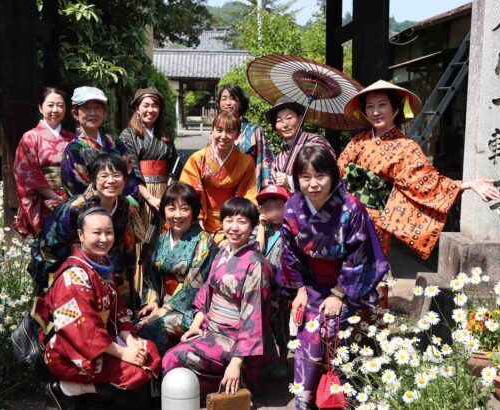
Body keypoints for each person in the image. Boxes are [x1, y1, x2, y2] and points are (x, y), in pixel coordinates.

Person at [338, 79, 500, 260]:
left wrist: (468, 184)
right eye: (370, 107)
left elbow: (427, 183)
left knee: (371, 270)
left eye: (382, 105)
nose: (375, 112)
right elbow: (337, 172)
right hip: (345, 215)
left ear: (396, 108)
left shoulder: (406, 147)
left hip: (373, 221)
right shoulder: (358, 142)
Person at [281, 145, 390, 410]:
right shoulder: (293, 207)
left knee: (331, 330)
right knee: (307, 335)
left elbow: (359, 255)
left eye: (320, 175)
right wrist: (300, 290)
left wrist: (339, 293)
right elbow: (290, 252)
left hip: (348, 285)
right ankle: (305, 402)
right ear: (297, 179)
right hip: (311, 284)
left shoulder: (350, 208)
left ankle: (341, 400)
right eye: (305, 177)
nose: (313, 184)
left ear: (333, 174)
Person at [36, 207, 160, 409]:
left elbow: (118, 310)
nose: (104, 239)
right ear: (80, 235)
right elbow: (83, 331)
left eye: (108, 232)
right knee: (134, 373)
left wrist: (130, 341)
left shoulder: (100, 264)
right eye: (97, 233)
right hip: (69, 352)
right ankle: (69, 389)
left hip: (102, 341)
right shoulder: (74, 276)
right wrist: (122, 353)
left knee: (148, 352)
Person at [162, 197, 277, 397]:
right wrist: (196, 325)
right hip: (212, 329)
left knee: (173, 360)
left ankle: (240, 377)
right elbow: (207, 291)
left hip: (238, 342)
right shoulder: (223, 251)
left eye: (241, 222)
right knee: (171, 356)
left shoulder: (256, 264)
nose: (234, 227)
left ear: (252, 226)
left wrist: (236, 362)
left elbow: (254, 316)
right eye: (229, 220)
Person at [30, 154, 137, 294]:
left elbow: (121, 245)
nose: (111, 181)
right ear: (92, 179)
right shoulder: (76, 208)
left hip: (104, 266)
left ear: (125, 180)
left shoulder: (123, 205)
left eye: (117, 175)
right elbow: (50, 244)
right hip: (67, 266)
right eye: (103, 176)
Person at [134, 182, 215, 356]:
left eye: (184, 209)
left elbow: (195, 282)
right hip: (163, 303)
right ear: (163, 210)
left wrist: (166, 308)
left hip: (189, 309)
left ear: (194, 211)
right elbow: (151, 275)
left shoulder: (203, 241)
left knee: (157, 328)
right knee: (135, 325)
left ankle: (162, 375)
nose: (177, 215)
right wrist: (153, 302)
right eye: (171, 209)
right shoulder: (162, 238)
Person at [115, 87, 177, 294]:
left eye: (155, 105)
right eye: (146, 105)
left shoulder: (164, 136)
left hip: (164, 193)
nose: (151, 110)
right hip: (141, 195)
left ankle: (159, 292)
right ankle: (139, 294)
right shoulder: (127, 136)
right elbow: (129, 172)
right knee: (142, 243)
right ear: (137, 108)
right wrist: (150, 197)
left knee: (163, 240)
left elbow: (173, 165)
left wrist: (168, 190)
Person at [180, 112, 258, 239]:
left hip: (233, 220)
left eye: (230, 131)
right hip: (201, 219)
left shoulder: (246, 161)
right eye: (219, 130)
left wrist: (239, 222)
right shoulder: (198, 158)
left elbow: (250, 192)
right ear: (212, 131)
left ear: (237, 134)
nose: (223, 136)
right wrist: (197, 218)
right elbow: (188, 190)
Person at [13, 87, 75, 237]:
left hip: (72, 200)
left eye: (60, 105)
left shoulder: (72, 138)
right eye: (50, 105)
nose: (56, 109)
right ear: (41, 108)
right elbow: (28, 174)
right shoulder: (30, 137)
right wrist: (56, 198)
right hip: (44, 202)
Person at [61, 86, 138, 199]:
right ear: (75, 113)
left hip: (123, 208)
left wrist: (128, 200)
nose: (93, 113)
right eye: (87, 108)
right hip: (92, 212)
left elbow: (129, 175)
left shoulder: (114, 142)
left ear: (104, 112)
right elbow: (77, 188)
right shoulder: (73, 150)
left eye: (97, 108)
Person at [254, 184, 291, 379]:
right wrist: (260, 225)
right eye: (267, 205)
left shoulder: (292, 228)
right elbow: (257, 250)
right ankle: (270, 356)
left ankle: (284, 357)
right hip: (264, 285)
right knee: (265, 322)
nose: (273, 209)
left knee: (281, 324)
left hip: (283, 287)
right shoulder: (262, 229)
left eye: (278, 204)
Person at [266, 97, 336, 193]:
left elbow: (329, 176)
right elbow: (272, 189)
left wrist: (290, 182)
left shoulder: (316, 142)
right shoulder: (278, 159)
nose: (285, 124)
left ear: (300, 119)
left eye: (289, 118)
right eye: (279, 121)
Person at [217, 84, 274, 191]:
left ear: (241, 102)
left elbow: (265, 161)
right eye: (224, 99)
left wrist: (267, 190)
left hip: (248, 186)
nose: (228, 103)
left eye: (233, 98)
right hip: (221, 187)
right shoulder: (215, 131)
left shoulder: (254, 130)